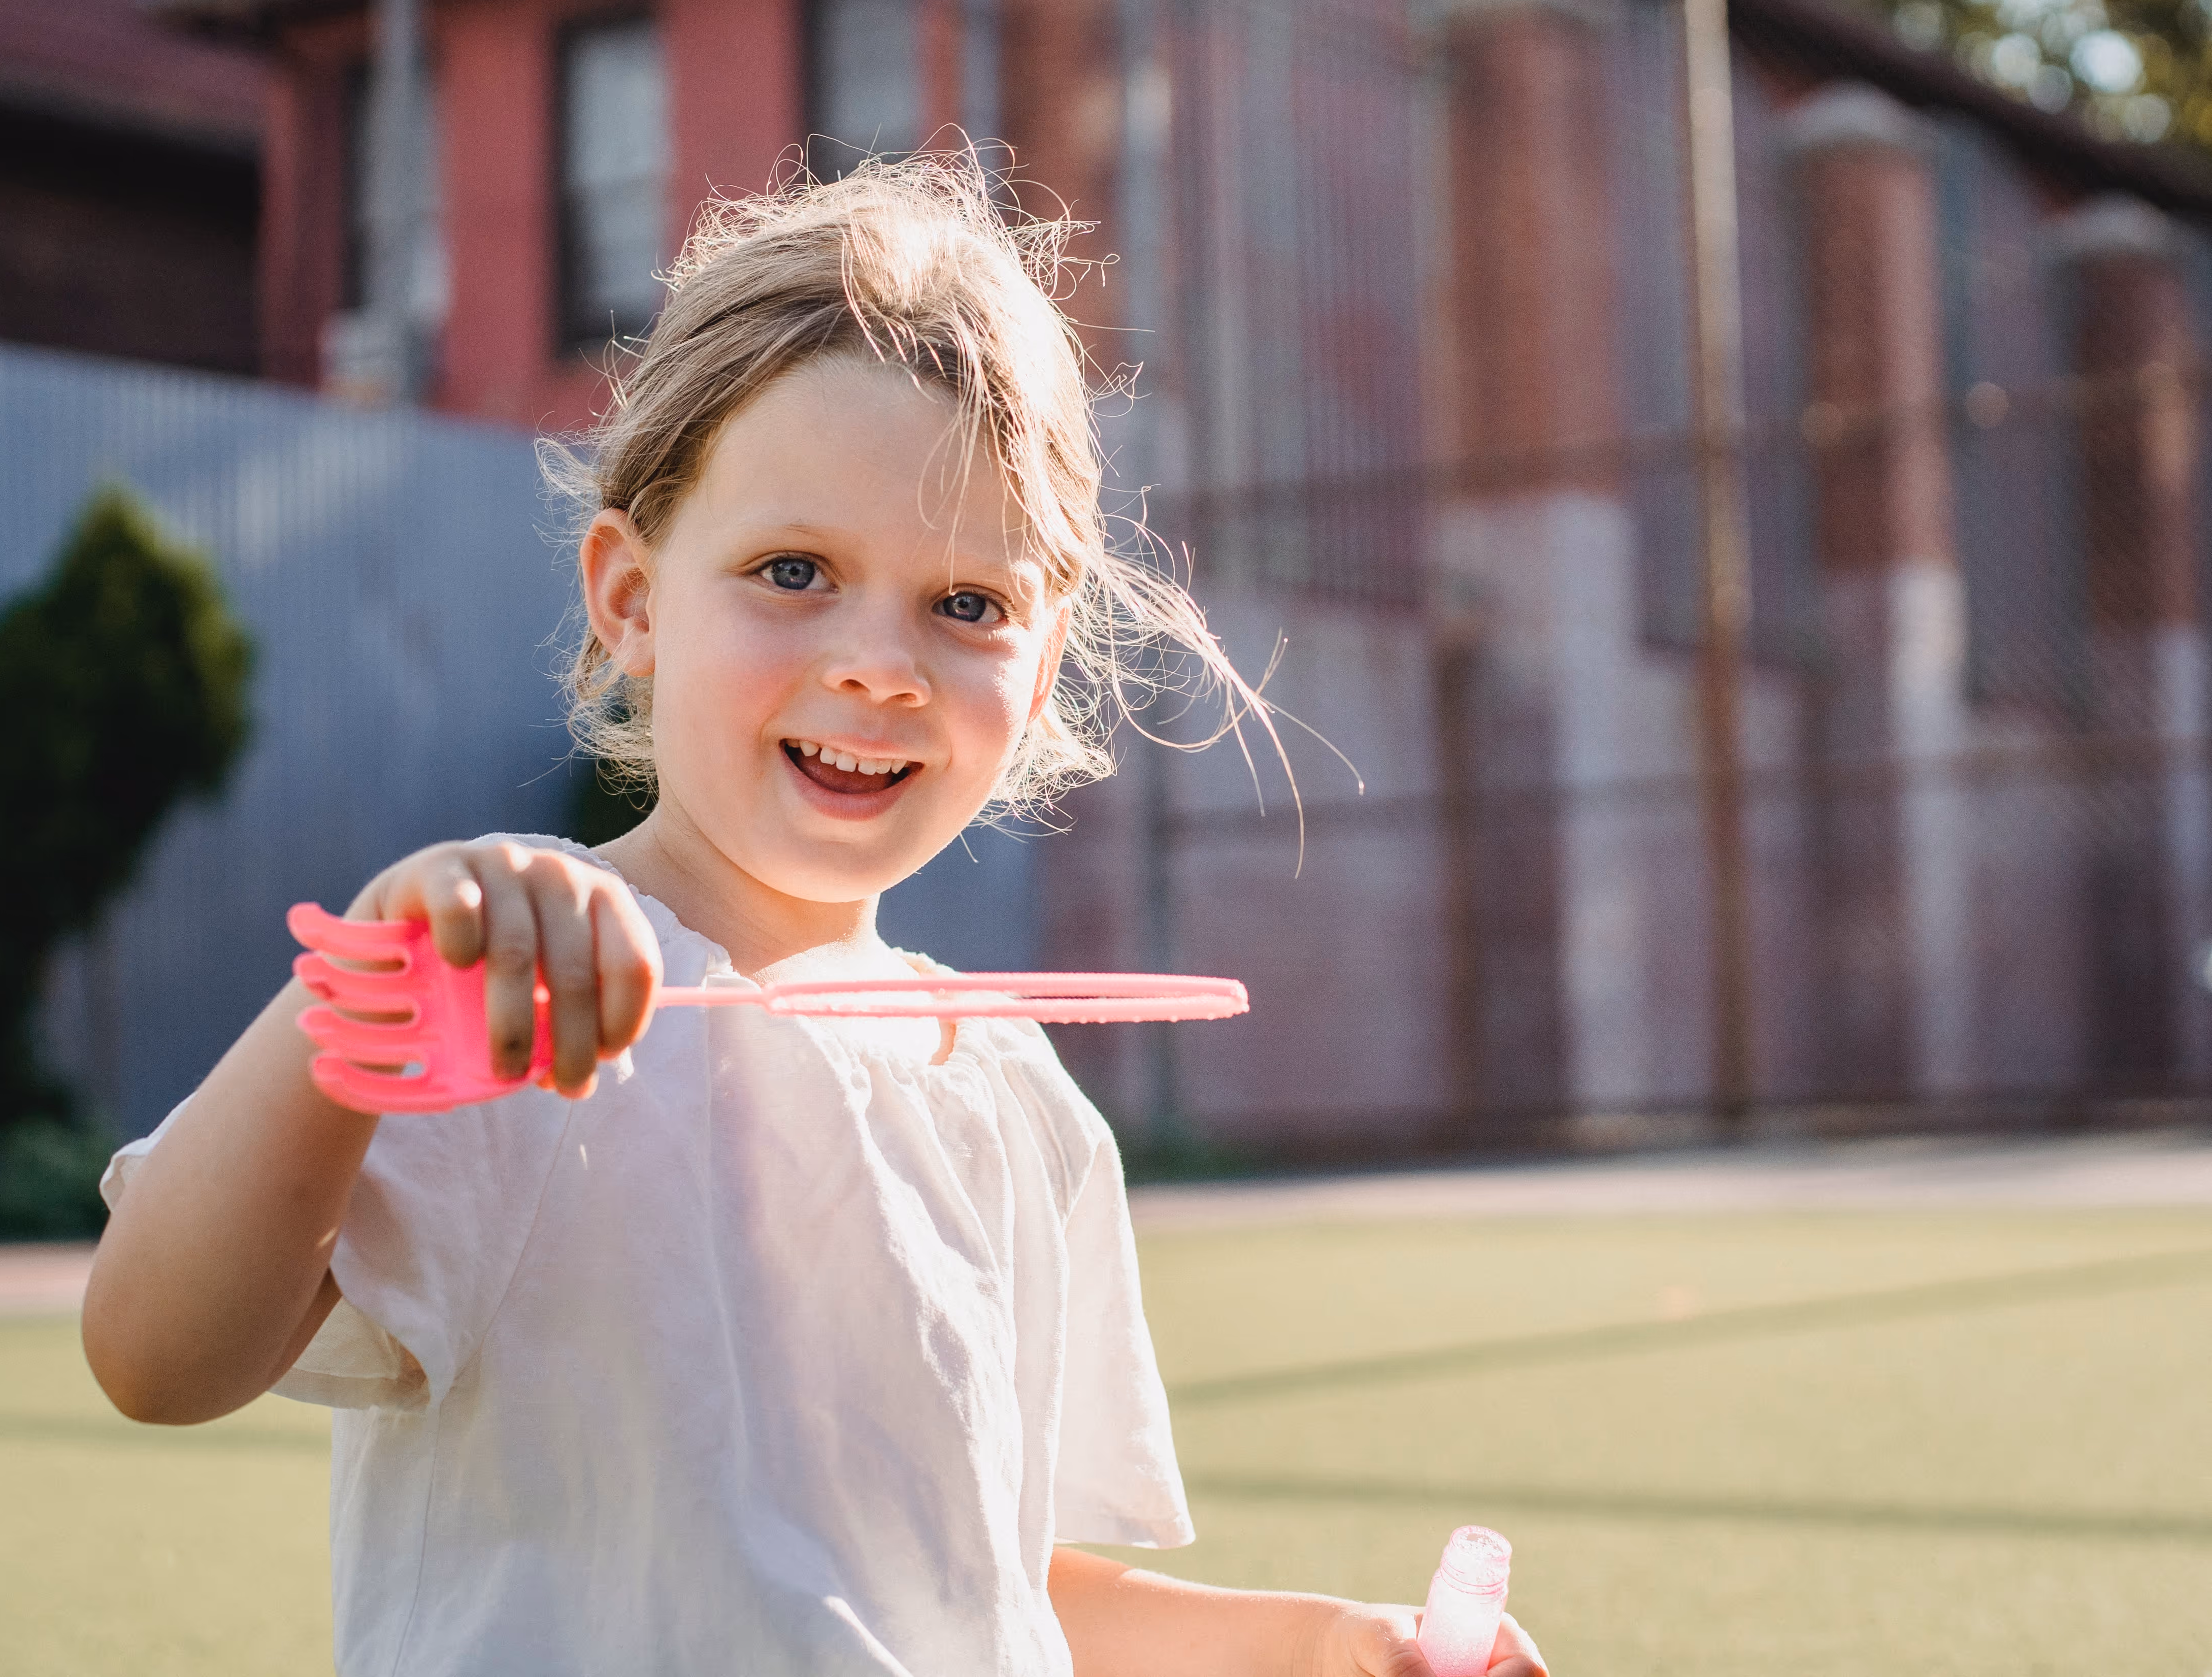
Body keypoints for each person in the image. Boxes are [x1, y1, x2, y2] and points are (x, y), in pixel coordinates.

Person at [83, 156, 1549, 1677]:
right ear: (632, 599)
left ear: (1042, 671)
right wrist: (367, 1012)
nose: (879, 664)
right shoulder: (514, 993)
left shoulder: (1021, 1105)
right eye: (795, 571)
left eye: (967, 606)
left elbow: (993, 1584)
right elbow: (156, 1353)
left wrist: (1317, 1642)